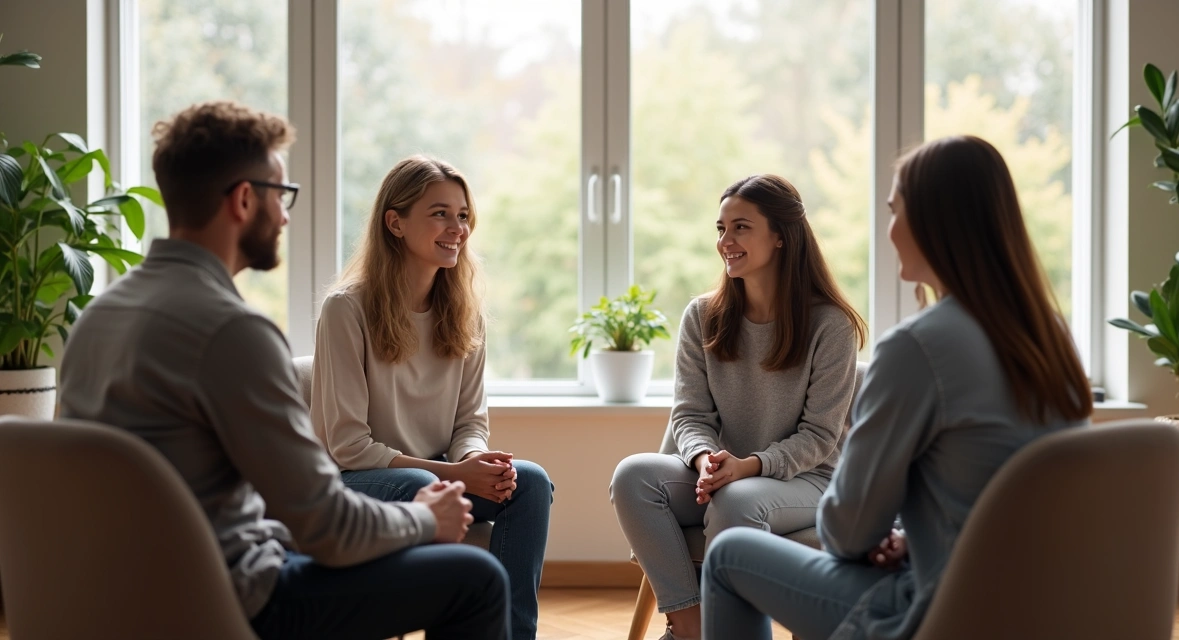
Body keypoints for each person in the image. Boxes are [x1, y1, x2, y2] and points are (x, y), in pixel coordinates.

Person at [59, 101, 509, 640]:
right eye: (282, 195)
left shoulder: (97, 320)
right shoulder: (233, 332)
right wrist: (425, 518)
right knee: (477, 577)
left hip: (109, 598)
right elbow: (328, 527)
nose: (286, 215)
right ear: (245, 200)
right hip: (226, 600)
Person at [701, 135, 1093, 640]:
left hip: (947, 610)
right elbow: (1020, 493)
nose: (889, 230)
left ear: (935, 222)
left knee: (730, 555)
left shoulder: (917, 348)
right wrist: (920, 540)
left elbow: (847, 531)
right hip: (1045, 604)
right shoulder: (1052, 337)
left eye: (894, 211)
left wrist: (892, 538)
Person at [610, 174, 867, 640]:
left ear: (781, 237)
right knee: (632, 475)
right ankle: (690, 625)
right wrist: (706, 458)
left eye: (741, 227)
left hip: (808, 479)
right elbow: (689, 415)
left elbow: (820, 437)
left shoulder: (831, 326)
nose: (725, 241)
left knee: (736, 500)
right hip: (723, 471)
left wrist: (751, 466)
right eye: (720, 228)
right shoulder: (702, 316)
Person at [311, 154, 553, 640]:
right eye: (440, 213)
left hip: (435, 468)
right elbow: (348, 446)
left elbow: (469, 423)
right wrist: (453, 474)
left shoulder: (466, 314)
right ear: (395, 223)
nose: (457, 228)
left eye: (463, 215)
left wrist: (479, 463)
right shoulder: (346, 310)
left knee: (528, 481)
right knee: (418, 482)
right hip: (357, 483)